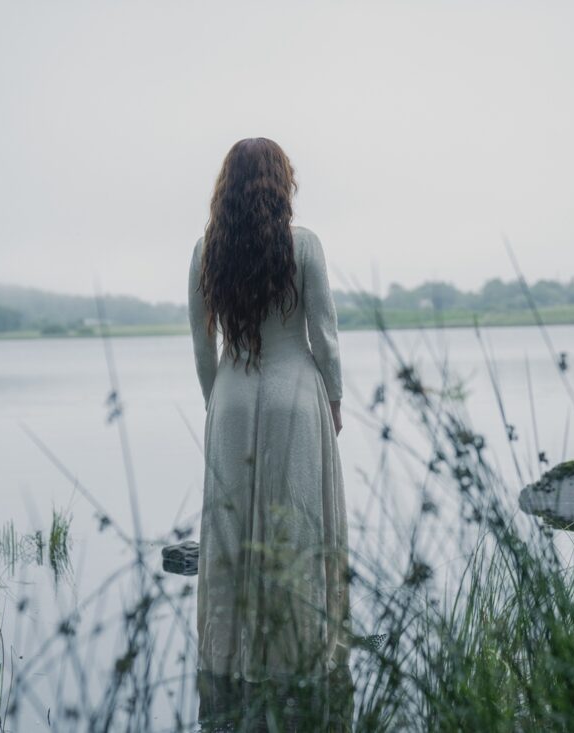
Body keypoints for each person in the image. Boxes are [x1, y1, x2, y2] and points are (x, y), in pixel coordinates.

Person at [188, 137, 351, 730]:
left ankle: (230, 658)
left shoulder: (206, 250)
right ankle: (301, 653)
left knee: (231, 537)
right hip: (294, 397)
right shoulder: (304, 245)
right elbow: (324, 335)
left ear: (225, 186)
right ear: (282, 183)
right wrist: (334, 399)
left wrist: (217, 405)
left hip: (233, 395)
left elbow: (203, 347)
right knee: (298, 528)